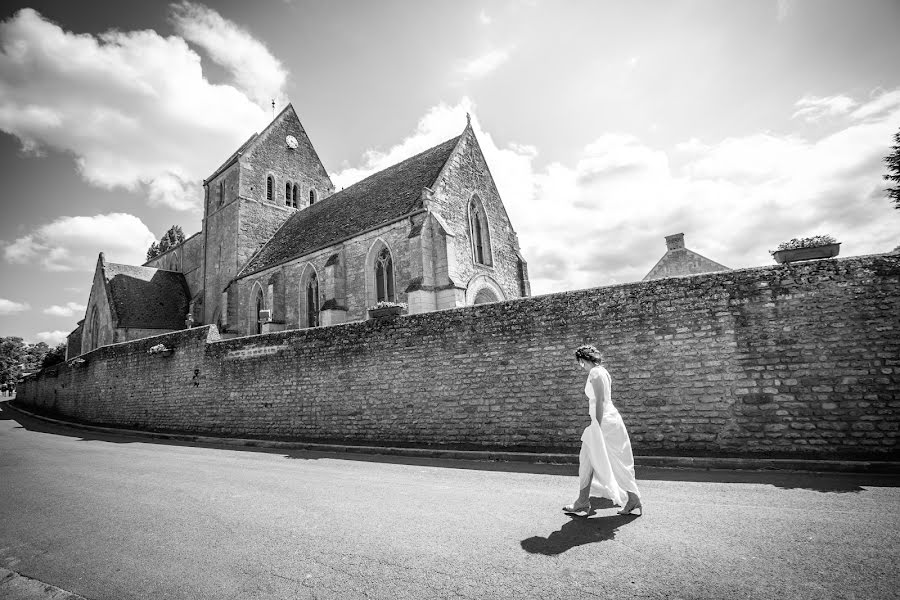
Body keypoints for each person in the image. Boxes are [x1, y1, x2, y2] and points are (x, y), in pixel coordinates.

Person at [563, 344, 642, 516]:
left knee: (605, 460)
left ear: (583, 360)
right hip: (608, 421)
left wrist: (596, 426)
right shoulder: (603, 371)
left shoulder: (595, 372)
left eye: (579, 362)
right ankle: (583, 501)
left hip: (603, 423)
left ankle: (583, 502)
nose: (580, 366)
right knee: (598, 459)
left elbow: (599, 401)